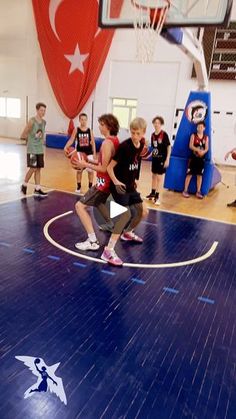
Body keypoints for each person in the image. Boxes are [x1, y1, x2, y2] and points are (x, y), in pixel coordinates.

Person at [101, 117, 149, 266]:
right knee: (125, 215)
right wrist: (116, 181)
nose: (134, 136)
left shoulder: (141, 144)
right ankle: (108, 251)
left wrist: (135, 177)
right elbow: (109, 167)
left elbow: (137, 161)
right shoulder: (124, 147)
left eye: (137, 133)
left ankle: (127, 233)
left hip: (130, 186)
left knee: (143, 211)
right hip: (119, 186)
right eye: (132, 132)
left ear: (143, 133)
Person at [71, 114, 120, 251]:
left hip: (102, 183)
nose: (99, 126)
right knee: (98, 203)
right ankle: (111, 224)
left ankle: (92, 240)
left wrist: (84, 164)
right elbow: (103, 162)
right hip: (108, 183)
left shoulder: (106, 143)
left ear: (108, 126)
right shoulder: (115, 140)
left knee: (79, 206)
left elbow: (103, 168)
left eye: (101, 124)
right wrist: (87, 161)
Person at [20, 102, 48, 197]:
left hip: (40, 149)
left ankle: (37, 188)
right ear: (37, 110)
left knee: (38, 169)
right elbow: (24, 134)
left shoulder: (44, 122)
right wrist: (29, 140)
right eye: (41, 110)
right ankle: (24, 184)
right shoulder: (32, 121)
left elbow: (41, 135)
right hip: (32, 149)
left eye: (44, 110)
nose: (43, 112)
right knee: (33, 168)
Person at [64, 113, 96, 194]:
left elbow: (93, 143)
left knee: (90, 171)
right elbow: (71, 140)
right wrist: (65, 147)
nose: (83, 121)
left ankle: (90, 187)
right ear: (79, 120)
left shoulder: (90, 130)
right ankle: (78, 187)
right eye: (82, 119)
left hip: (89, 153)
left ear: (87, 120)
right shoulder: (76, 130)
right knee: (79, 171)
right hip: (79, 154)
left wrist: (94, 154)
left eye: (85, 119)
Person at [146, 116, 171, 205]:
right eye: (155, 123)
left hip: (162, 159)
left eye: (158, 123)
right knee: (153, 176)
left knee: (159, 178)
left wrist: (167, 159)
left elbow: (168, 147)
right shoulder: (153, 135)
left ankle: (157, 196)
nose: (156, 124)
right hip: (155, 159)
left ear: (161, 124)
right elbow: (154, 148)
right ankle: (152, 193)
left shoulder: (164, 134)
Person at [182, 121, 209, 199]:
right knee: (189, 174)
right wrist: (197, 150)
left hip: (201, 159)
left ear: (204, 128)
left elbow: (207, 148)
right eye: (198, 127)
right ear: (197, 128)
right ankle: (185, 190)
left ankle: (198, 191)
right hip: (193, 158)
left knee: (199, 175)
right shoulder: (193, 135)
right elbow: (190, 146)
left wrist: (203, 152)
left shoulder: (206, 137)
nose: (200, 128)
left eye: (201, 127)